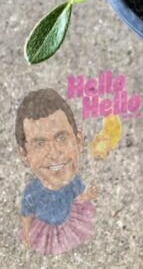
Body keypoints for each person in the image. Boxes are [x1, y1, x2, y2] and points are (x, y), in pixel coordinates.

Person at [15, 88, 97, 255]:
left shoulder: (74, 182)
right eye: (39, 143)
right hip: (43, 231)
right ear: (24, 155)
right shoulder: (32, 191)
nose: (54, 153)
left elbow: (79, 199)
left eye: (61, 138)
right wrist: (26, 234)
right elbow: (25, 215)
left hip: (69, 226)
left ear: (78, 141)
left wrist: (87, 196)